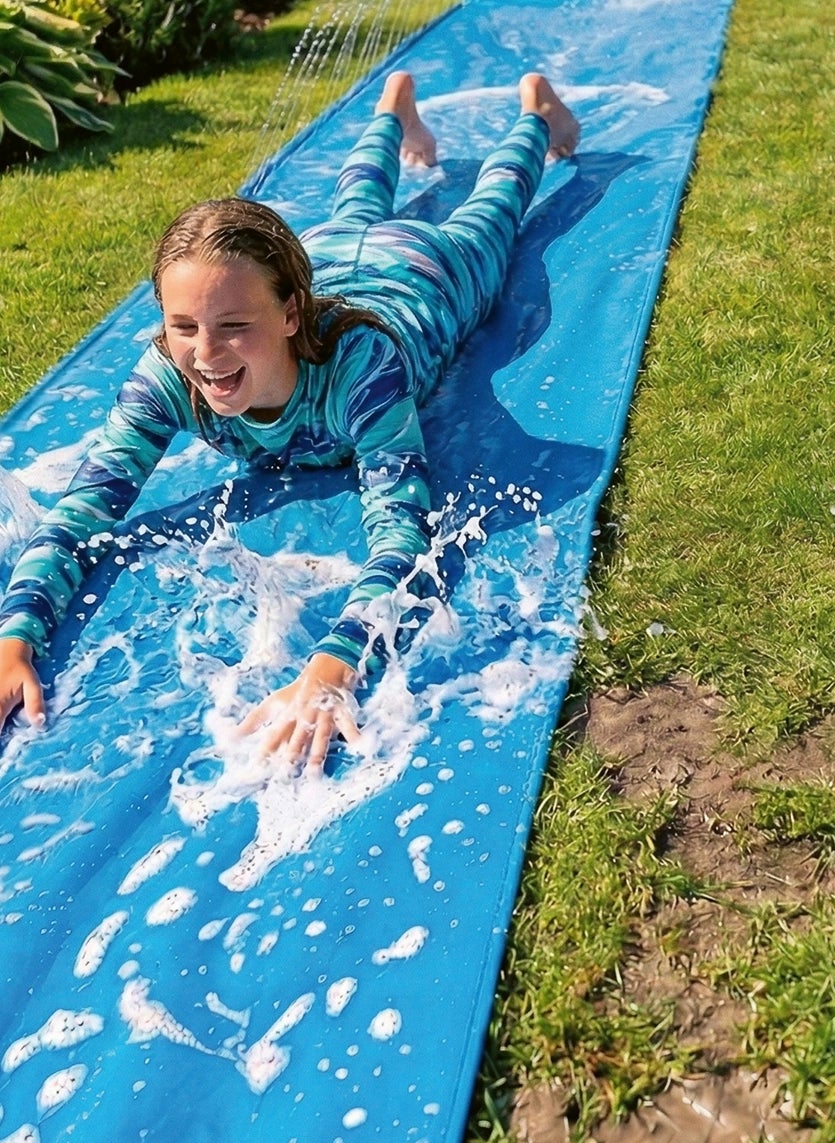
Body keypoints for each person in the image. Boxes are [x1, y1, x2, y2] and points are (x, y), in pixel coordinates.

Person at [0, 69, 580, 771]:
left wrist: (336, 663)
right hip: (328, 257)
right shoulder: (169, 374)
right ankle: (394, 110)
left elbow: (402, 524)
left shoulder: (357, 367)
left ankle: (536, 115)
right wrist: (14, 638)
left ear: (289, 315)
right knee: (352, 205)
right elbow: (80, 513)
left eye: (234, 326)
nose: (205, 355)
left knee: (493, 209)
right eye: (182, 325)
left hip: (428, 278)